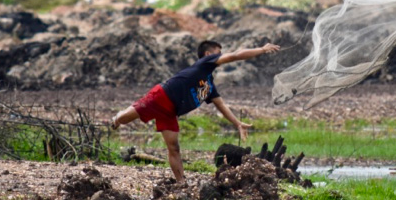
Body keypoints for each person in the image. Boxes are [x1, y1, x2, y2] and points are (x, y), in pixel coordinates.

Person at [111, 40, 280, 182]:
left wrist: (237, 123)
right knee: (124, 119)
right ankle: (117, 118)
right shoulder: (204, 64)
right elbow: (235, 55)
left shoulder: (209, 83)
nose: (220, 55)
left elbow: (221, 105)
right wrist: (262, 50)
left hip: (171, 112)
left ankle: (181, 183)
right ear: (208, 54)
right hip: (161, 96)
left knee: (174, 148)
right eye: (218, 52)